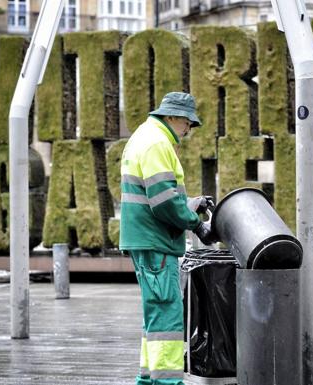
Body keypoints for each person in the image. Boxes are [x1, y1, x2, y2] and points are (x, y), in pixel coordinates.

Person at [119, 92, 216, 385]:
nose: (188, 130)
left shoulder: (145, 136)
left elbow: (155, 198)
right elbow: (162, 202)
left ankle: (148, 379)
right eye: (188, 123)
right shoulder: (157, 143)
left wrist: (192, 203)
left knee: (155, 315)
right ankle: (167, 382)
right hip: (155, 242)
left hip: (147, 239)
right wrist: (197, 225)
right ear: (172, 117)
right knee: (167, 315)